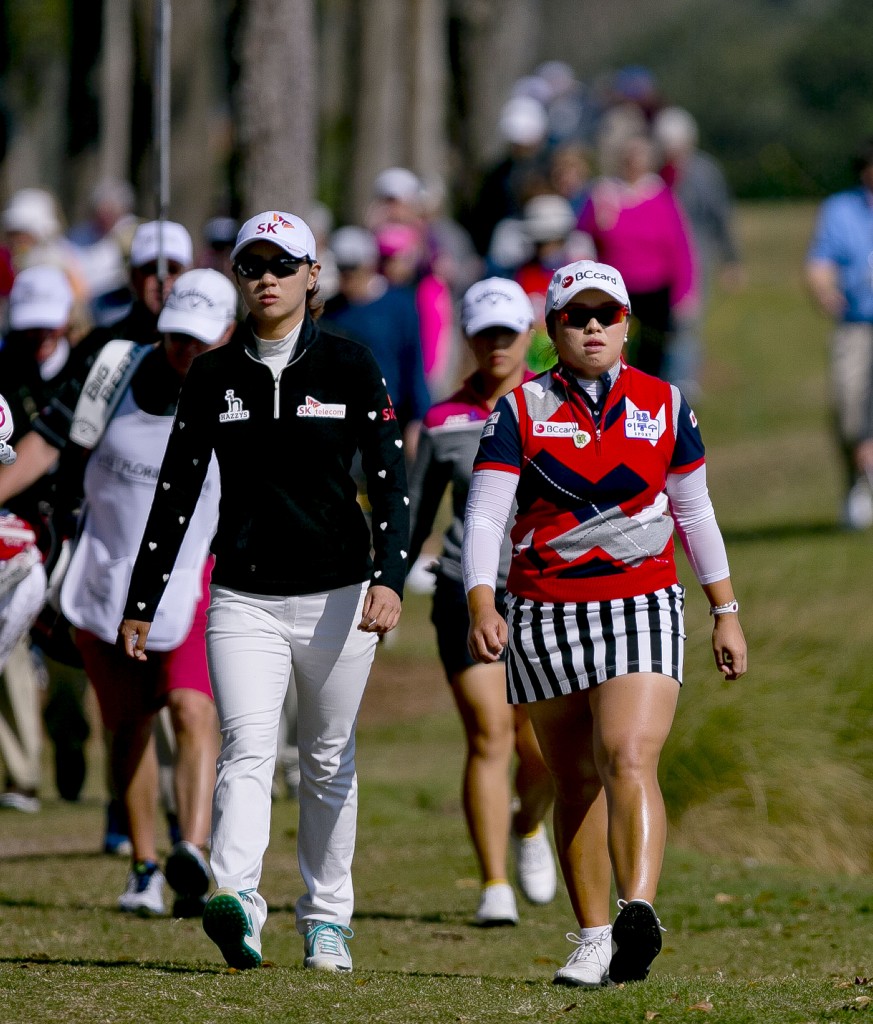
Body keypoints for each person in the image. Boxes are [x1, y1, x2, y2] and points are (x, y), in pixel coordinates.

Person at [117, 210, 409, 973]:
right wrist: (142, 600)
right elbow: (176, 492)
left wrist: (391, 580)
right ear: (239, 278)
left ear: (314, 276)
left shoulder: (350, 365)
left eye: (284, 265)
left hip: (342, 594)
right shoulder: (212, 375)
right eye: (253, 266)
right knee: (247, 747)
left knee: (324, 758)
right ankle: (238, 897)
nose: (268, 278)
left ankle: (327, 920)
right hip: (242, 595)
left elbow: (388, 480)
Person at [463, 260, 746, 987]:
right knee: (575, 780)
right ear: (552, 329)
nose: (593, 328)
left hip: (642, 603)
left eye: (606, 315)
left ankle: (637, 912)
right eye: (576, 316)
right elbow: (488, 513)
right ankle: (591, 939)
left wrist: (724, 610)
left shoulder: (665, 402)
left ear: (627, 323)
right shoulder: (517, 410)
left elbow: (694, 511)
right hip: (544, 609)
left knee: (626, 755)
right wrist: (480, 600)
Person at [57, 269, 236, 917]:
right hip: (105, 576)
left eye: (199, 338)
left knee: (191, 710)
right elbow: (60, 456)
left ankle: (191, 850)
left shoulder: (241, 393)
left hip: (195, 578)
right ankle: (142, 867)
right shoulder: (115, 375)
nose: (185, 350)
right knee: (126, 729)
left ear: (227, 333)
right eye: (176, 338)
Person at [407, 278, 556, 926]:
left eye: (509, 331)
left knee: (544, 746)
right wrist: (385, 580)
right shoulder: (443, 421)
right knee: (490, 732)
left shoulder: (553, 405)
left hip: (546, 591)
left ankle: (528, 828)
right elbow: (412, 516)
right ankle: (493, 883)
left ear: (530, 335)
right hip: (463, 595)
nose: (497, 344)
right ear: (467, 337)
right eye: (484, 332)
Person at [0, 265, 76, 811]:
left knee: (79, 659)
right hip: (16, 524)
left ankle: (72, 743)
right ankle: (21, 773)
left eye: (47, 326)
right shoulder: (5, 371)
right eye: (30, 327)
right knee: (11, 642)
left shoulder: (93, 368)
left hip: (79, 526)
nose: (39, 337)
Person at [577, 132, 697, 380]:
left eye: (639, 155)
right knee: (612, 353)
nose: (633, 161)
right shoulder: (604, 194)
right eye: (628, 155)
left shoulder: (660, 195)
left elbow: (679, 247)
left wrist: (684, 292)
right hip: (613, 290)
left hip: (655, 291)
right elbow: (581, 238)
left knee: (653, 354)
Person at [805, 138, 873, 530]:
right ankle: (856, 483)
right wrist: (823, 290)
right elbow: (820, 262)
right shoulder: (840, 209)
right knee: (849, 410)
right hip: (856, 324)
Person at [653, 106, 743, 397]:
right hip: (659, 263)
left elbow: (721, 218)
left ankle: (683, 387)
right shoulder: (655, 173)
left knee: (686, 322)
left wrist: (732, 261)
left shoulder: (706, 173)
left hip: (696, 259)